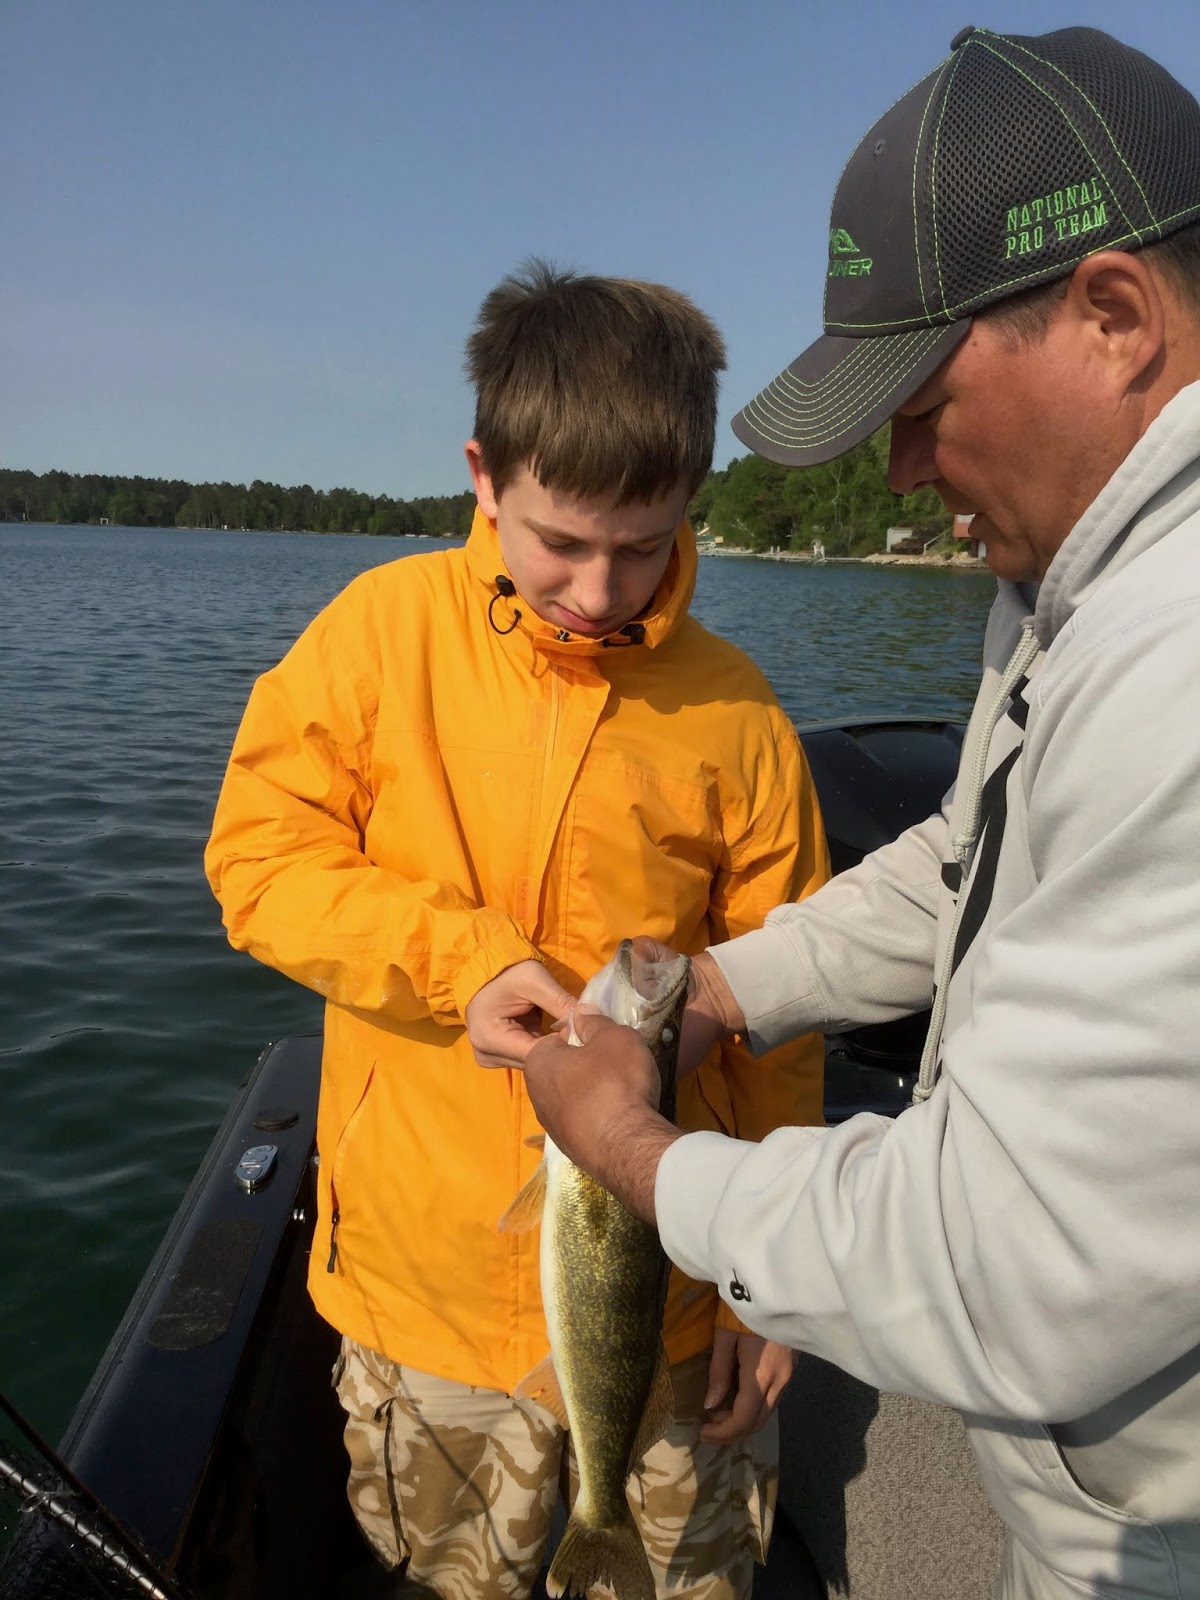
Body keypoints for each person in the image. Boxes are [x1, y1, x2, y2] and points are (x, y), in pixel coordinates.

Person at [500, 27, 1200, 1600]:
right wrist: (724, 993)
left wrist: (634, 1154)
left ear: (1113, 317)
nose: (893, 466)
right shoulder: (1083, 576)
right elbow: (975, 859)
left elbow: (1012, 1260)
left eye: (918, 399)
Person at [204, 261, 829, 1600]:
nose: (600, 592)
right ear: (485, 476)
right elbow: (258, 860)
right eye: (562, 541)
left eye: (646, 544)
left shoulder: (738, 715)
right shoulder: (372, 641)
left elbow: (785, 1022)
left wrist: (770, 1290)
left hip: (667, 1293)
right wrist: (465, 962)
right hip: (418, 1297)